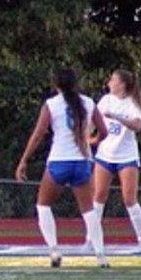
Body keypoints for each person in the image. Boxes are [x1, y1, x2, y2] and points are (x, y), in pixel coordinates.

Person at [16, 69, 110, 268]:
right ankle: (101, 255)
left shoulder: (52, 104)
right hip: (83, 161)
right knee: (88, 211)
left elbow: (38, 134)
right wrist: (91, 141)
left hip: (59, 159)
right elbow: (104, 131)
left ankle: (54, 250)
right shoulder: (88, 102)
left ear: (56, 84)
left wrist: (24, 159)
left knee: (43, 205)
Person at [88, 70, 141, 251]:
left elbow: (137, 125)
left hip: (126, 157)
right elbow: (93, 123)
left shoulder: (132, 104)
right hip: (105, 155)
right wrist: (88, 138)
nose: (109, 82)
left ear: (122, 84)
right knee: (98, 196)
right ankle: (91, 238)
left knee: (129, 198)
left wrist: (116, 117)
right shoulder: (106, 100)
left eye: (113, 79)